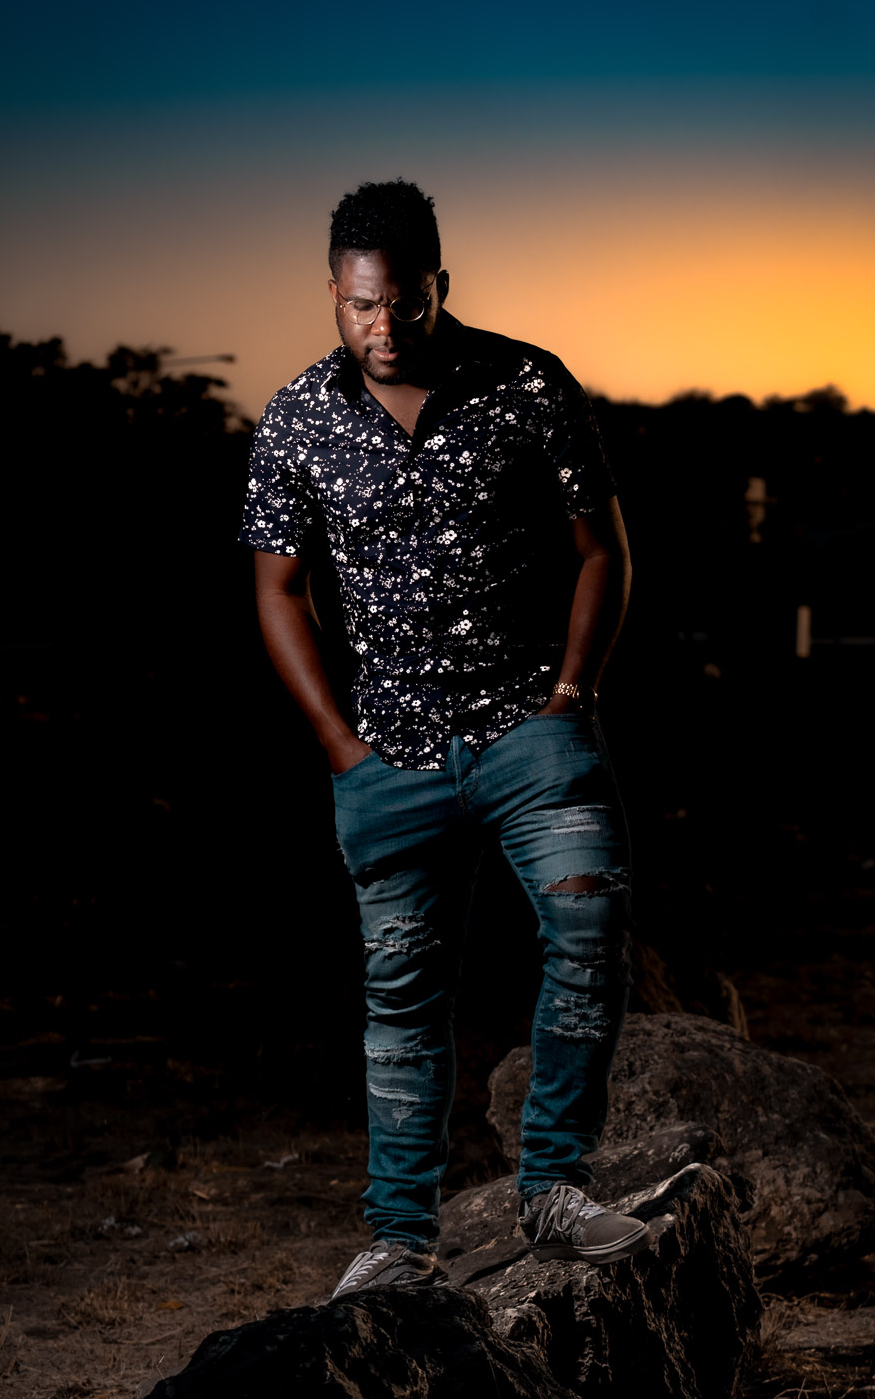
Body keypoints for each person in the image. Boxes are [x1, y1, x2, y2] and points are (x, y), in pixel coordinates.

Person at [240, 179, 646, 1297]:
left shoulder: (528, 383)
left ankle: (553, 1188)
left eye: (404, 302)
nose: (384, 326)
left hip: (528, 729)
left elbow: (601, 549)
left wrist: (572, 691)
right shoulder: (297, 419)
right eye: (361, 305)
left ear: (439, 286)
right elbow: (277, 589)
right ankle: (399, 1240)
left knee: (591, 930)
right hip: (387, 754)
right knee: (403, 998)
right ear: (334, 294)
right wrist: (337, 743)